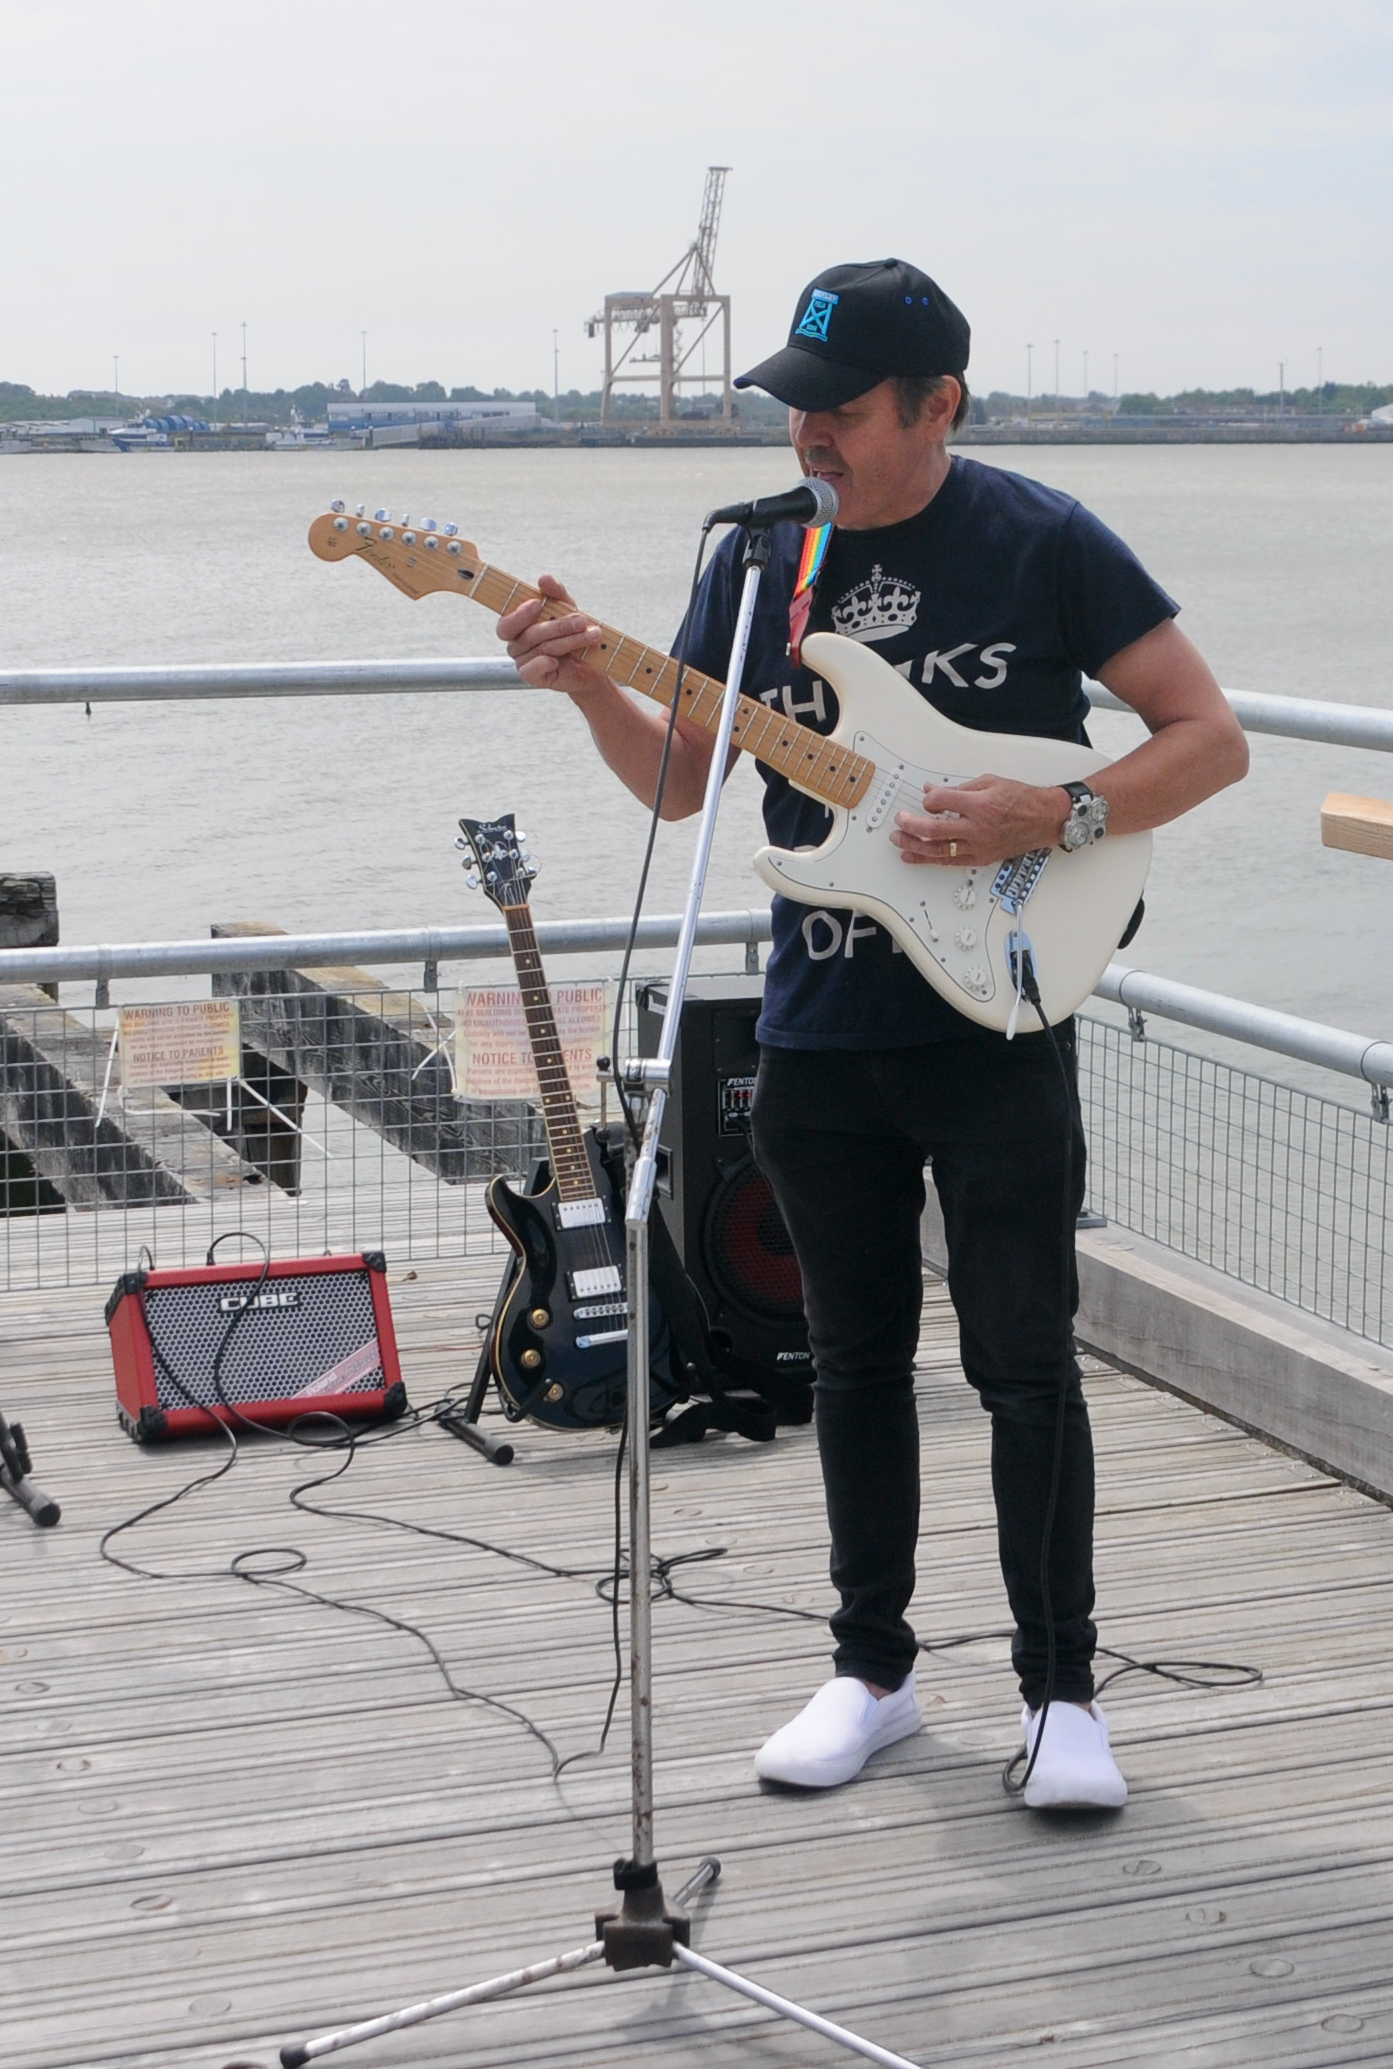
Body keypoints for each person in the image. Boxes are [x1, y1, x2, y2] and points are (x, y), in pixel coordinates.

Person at [494, 258, 1247, 1813]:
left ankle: (1063, 1698)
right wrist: (585, 688)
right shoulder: (760, 565)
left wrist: (1066, 808)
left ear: (938, 404)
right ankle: (874, 1672)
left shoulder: (1041, 541)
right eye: (794, 408)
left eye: (837, 409)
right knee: (850, 1365)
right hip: (820, 1022)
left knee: (1027, 1364)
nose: (807, 434)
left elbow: (1209, 736)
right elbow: (685, 786)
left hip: (999, 1017)